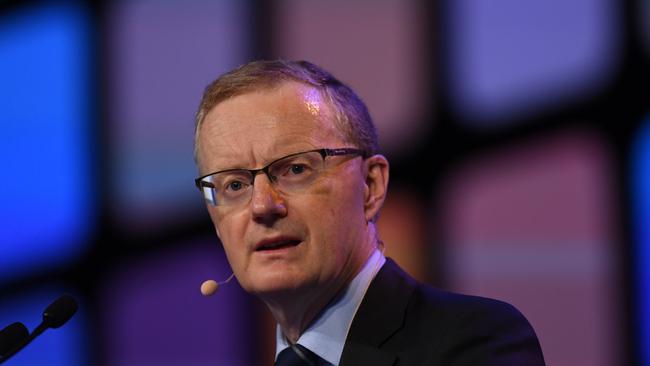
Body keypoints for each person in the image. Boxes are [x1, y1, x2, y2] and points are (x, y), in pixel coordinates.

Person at [193, 60, 545, 365]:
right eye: (234, 185)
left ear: (371, 187)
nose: (262, 206)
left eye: (296, 169)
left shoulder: (474, 342)